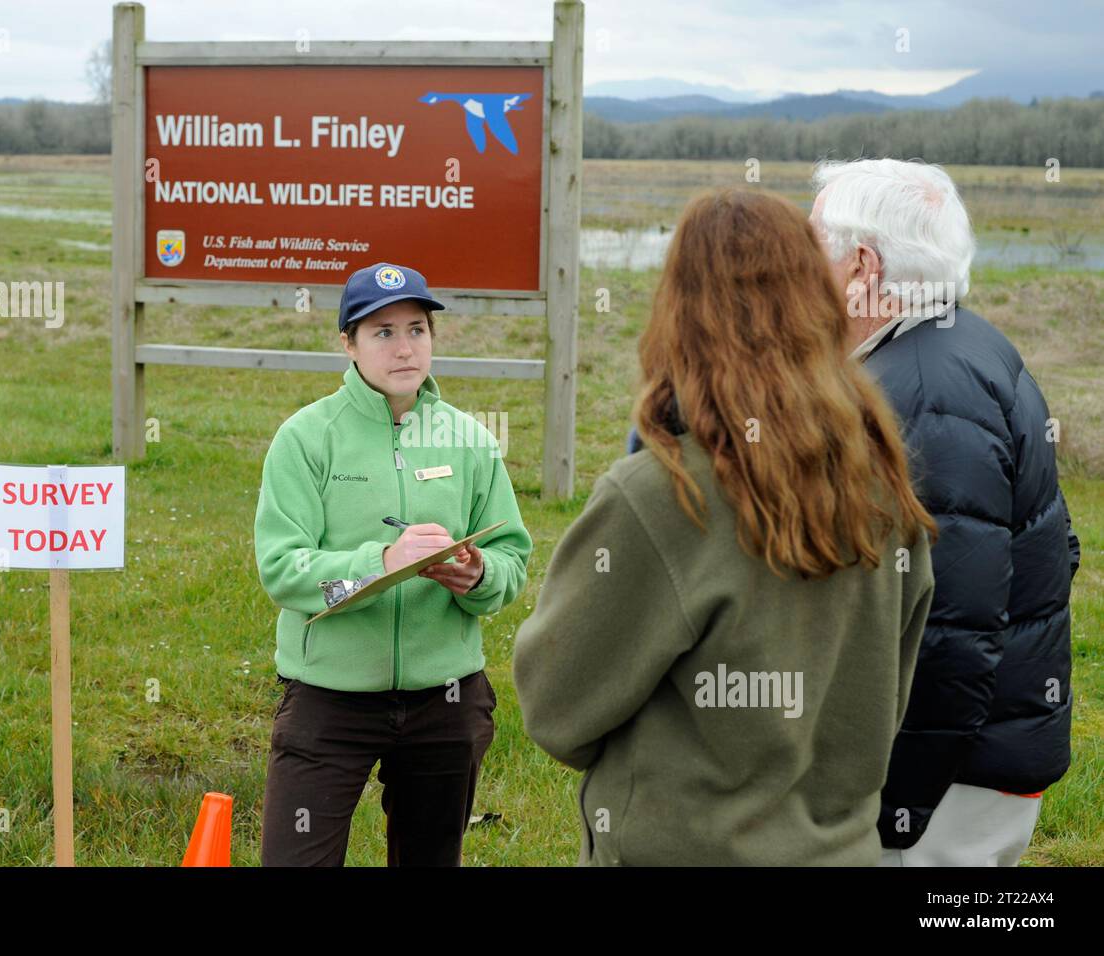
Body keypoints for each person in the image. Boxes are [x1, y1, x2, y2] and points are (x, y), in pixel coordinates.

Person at [512, 188, 938, 866]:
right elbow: (881, 705)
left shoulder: (661, 497)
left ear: (678, 310)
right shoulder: (885, 490)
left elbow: (558, 710)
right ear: (819, 307)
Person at [809, 158, 1079, 866]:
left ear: (862, 267)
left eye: (812, 249)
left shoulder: (925, 389)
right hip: (975, 757)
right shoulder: (953, 343)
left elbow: (947, 629)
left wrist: (902, 807)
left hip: (949, 780)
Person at [254, 261, 532, 866]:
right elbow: (281, 567)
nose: (404, 347)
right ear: (348, 343)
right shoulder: (305, 439)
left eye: (417, 329)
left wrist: (478, 575)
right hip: (329, 695)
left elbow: (514, 557)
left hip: (447, 699)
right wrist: (378, 563)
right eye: (382, 332)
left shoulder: (470, 440)